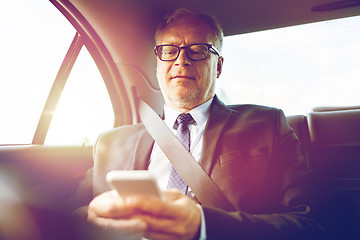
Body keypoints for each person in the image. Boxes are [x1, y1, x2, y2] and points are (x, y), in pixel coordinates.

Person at [82, 8, 324, 240]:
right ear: (157, 64)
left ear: (218, 66)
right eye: (169, 50)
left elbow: (311, 225)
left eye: (197, 50)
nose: (181, 60)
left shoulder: (268, 125)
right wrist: (91, 220)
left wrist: (203, 225)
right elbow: (67, 213)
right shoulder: (110, 143)